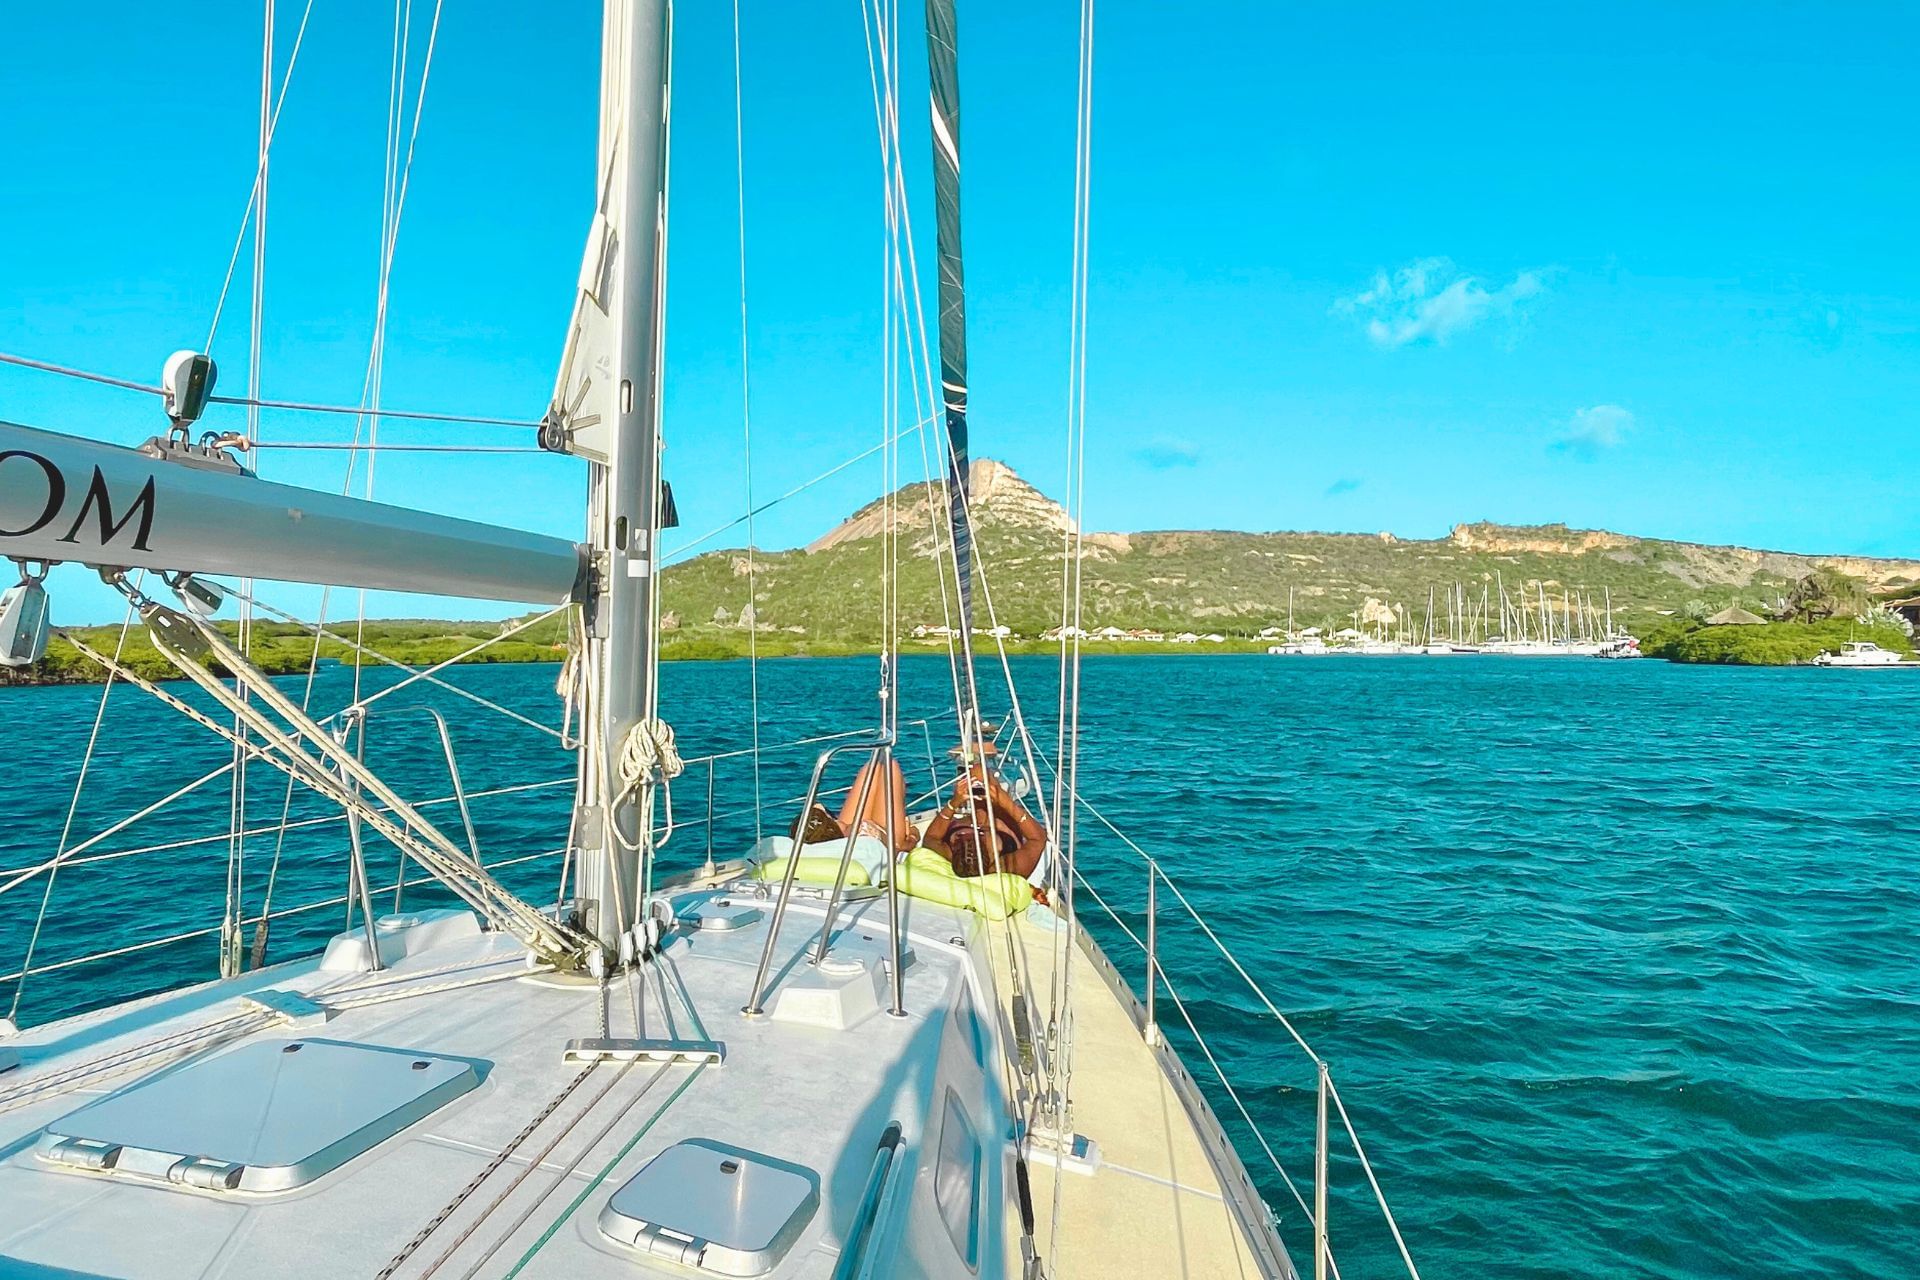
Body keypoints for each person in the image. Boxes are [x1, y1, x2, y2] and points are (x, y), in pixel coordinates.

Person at [921, 761, 1048, 881]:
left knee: (976, 774)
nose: (975, 834)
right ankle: (981, 750)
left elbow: (931, 838)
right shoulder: (1007, 867)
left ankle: (977, 751)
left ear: (954, 852)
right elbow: (1038, 839)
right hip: (1000, 826)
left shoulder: (948, 854)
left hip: (971, 819)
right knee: (981, 774)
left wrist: (954, 803)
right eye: (980, 840)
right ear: (990, 854)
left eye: (962, 838)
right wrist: (1007, 803)